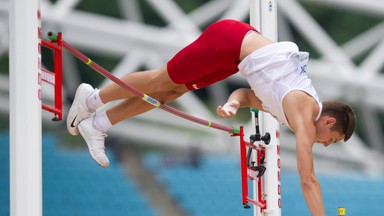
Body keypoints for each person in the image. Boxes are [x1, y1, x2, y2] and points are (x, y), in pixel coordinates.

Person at [67, 19, 356, 215]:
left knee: (171, 92)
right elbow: (309, 180)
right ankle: (92, 99)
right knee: (160, 80)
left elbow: (249, 96)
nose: (326, 144)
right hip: (230, 41)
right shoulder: (304, 111)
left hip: (234, 58)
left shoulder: (293, 112)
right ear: (329, 122)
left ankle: (98, 124)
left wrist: (232, 104)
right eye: (333, 140)